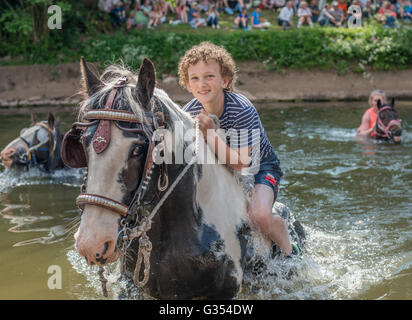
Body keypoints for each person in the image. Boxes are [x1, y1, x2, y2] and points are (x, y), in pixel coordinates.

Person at [178, 42, 299, 257]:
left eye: (209, 76)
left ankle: (291, 251)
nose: (202, 84)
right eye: (194, 78)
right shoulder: (187, 113)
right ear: (188, 85)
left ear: (224, 80)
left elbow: (243, 163)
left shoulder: (241, 108)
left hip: (261, 167)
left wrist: (208, 134)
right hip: (221, 170)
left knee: (259, 215)